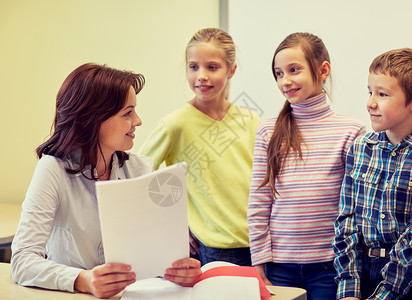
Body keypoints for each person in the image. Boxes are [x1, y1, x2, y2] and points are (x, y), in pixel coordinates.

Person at [10, 63, 201, 299]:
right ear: (93, 119)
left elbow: (153, 258)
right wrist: (83, 280)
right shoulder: (53, 169)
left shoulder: (140, 168)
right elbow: (22, 260)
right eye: (128, 113)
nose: (138, 121)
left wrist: (177, 271)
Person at [247, 32, 366, 300]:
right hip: (279, 267)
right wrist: (258, 261)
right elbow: (258, 200)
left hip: (329, 266)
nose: (285, 81)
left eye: (294, 70)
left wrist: (351, 268)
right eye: (278, 73)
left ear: (323, 70)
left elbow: (354, 209)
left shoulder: (351, 131)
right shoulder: (268, 131)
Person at [140, 28, 261, 266]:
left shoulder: (250, 120)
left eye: (212, 67)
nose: (201, 76)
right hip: (214, 248)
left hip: (259, 244)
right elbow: (135, 179)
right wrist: (172, 225)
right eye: (193, 67)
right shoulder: (175, 124)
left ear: (232, 70)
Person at [333, 48, 412, 300]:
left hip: (403, 278)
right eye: (370, 92)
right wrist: (349, 290)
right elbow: (347, 221)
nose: (370, 102)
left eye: (382, 94)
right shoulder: (360, 147)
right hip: (361, 271)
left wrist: (385, 294)